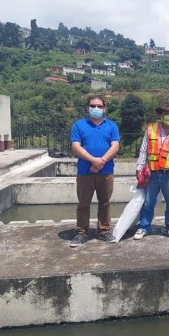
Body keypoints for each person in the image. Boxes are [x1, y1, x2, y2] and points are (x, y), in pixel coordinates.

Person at [134, 101, 169, 241]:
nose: (168, 116)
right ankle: (144, 226)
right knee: (148, 202)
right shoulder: (151, 129)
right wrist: (139, 167)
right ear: (161, 115)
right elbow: (143, 150)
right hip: (152, 173)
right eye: (165, 113)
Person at [69, 95, 120, 247]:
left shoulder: (111, 126)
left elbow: (115, 146)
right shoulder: (79, 125)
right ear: (87, 107)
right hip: (85, 171)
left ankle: (103, 230)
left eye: (99, 106)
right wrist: (93, 161)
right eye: (93, 106)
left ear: (104, 108)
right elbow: (75, 146)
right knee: (83, 203)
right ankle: (82, 232)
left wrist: (100, 162)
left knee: (104, 203)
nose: (96, 109)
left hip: (106, 171)